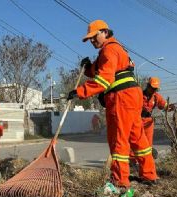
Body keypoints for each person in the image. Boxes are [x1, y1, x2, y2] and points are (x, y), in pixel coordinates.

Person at [67, 20, 157, 188]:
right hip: (132, 96)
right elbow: (100, 70)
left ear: (105, 32)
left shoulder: (109, 50)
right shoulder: (115, 49)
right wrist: (88, 68)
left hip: (121, 98)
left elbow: (103, 79)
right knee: (137, 137)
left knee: (118, 139)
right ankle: (149, 174)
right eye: (90, 39)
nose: (92, 41)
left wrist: (79, 92)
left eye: (94, 37)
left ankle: (120, 181)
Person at [142, 77, 175, 148]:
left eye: (155, 89)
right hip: (137, 121)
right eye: (152, 88)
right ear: (148, 86)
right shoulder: (139, 95)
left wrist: (171, 107)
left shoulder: (156, 97)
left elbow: (165, 106)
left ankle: (148, 157)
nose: (153, 90)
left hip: (148, 122)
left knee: (148, 144)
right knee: (136, 142)